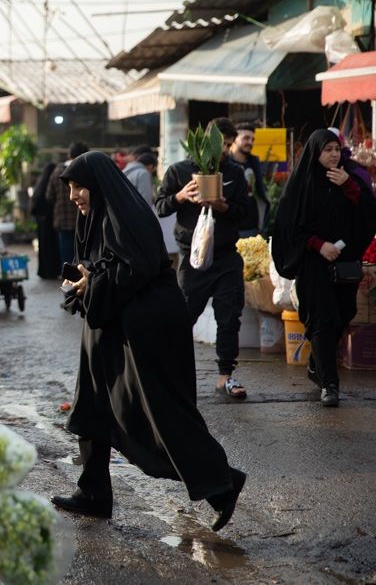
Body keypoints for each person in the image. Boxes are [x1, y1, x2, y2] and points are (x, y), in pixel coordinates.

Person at [51, 152, 246, 532]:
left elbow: (135, 268)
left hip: (145, 325)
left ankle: (222, 483)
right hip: (112, 319)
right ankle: (93, 492)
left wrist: (93, 281)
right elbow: (104, 264)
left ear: (99, 183)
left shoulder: (128, 214)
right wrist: (85, 278)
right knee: (92, 403)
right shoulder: (96, 215)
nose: (74, 195)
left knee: (156, 411)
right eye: (70, 188)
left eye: (78, 186)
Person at [272, 129, 376, 407]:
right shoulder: (301, 185)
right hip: (312, 263)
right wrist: (318, 245)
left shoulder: (350, 180)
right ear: (315, 153)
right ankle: (330, 385)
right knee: (322, 319)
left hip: (343, 262)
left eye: (336, 149)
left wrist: (350, 187)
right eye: (327, 150)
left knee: (343, 315)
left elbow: (368, 215)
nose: (333, 155)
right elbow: (288, 227)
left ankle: (314, 363)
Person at [156, 118, 251, 399]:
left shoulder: (235, 172)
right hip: (192, 258)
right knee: (183, 316)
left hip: (226, 257)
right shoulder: (180, 171)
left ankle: (226, 376)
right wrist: (181, 196)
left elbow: (245, 213)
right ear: (208, 140)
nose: (224, 150)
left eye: (229, 145)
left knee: (229, 317)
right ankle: (173, 374)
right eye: (221, 143)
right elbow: (160, 206)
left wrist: (223, 205)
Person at [48, 141, 90, 266]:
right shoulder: (85, 170)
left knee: (66, 254)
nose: (73, 196)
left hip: (63, 219)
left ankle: (67, 278)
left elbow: (49, 196)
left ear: (68, 155)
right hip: (83, 219)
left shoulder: (57, 172)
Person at [228, 123, 271, 237]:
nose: (250, 142)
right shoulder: (226, 163)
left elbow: (260, 193)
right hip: (232, 227)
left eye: (252, 139)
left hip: (254, 226)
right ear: (234, 139)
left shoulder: (254, 162)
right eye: (246, 138)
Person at [30, 162, 62, 280]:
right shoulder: (52, 184)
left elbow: (34, 205)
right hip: (51, 221)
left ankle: (45, 271)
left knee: (44, 249)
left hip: (41, 222)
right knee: (53, 249)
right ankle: (54, 270)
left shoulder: (40, 185)